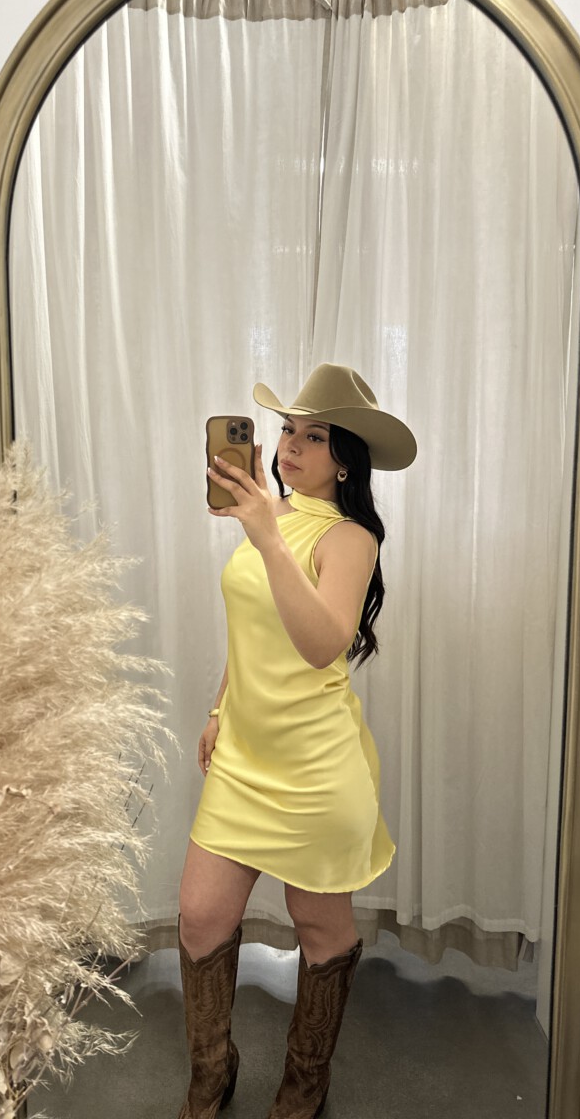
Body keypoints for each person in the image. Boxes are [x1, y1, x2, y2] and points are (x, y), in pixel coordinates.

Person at [175, 363, 417, 1119]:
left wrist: (267, 537)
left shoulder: (349, 538)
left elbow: (318, 646)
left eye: (314, 436)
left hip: (315, 765)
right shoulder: (266, 515)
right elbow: (253, 626)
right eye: (288, 430)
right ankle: (210, 1077)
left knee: (319, 928)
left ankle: (305, 1087)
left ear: (345, 458)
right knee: (200, 917)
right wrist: (219, 707)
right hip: (244, 757)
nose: (290, 446)